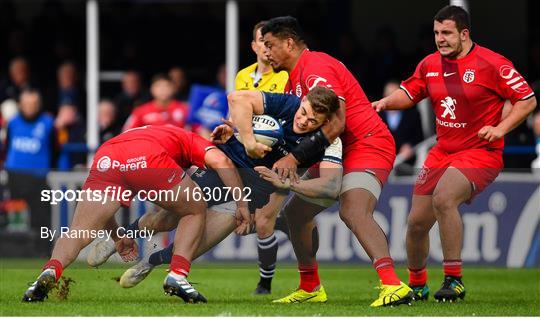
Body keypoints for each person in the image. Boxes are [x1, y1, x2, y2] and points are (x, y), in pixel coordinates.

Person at [86, 88, 341, 296]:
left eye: (313, 121)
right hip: (220, 169)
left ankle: (151, 262)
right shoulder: (287, 104)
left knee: (194, 245)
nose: (304, 120)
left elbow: (330, 187)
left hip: (251, 194)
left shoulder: (323, 144)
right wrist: (245, 136)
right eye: (304, 112)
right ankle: (118, 238)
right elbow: (237, 98)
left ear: (326, 123)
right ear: (303, 101)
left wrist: (289, 185)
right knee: (162, 219)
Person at [372, 5, 536, 302]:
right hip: (441, 152)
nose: (440, 39)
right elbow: (409, 93)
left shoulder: (493, 63)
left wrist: (501, 129)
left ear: (464, 33)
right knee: (416, 222)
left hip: (480, 152)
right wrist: (384, 103)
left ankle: (454, 280)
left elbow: (527, 100)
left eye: (446, 33)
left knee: (444, 198)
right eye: (436, 33)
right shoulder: (429, 64)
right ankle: (418, 284)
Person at [261, 16, 411, 306]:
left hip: (367, 143)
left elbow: (337, 122)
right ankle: (310, 287)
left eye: (271, 45)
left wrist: (293, 158)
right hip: (335, 149)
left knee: (353, 210)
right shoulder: (293, 80)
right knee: (295, 214)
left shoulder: (315, 67)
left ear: (289, 43)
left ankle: (393, 285)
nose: (267, 52)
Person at [22, 125, 251, 303]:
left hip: (108, 153)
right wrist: (242, 204)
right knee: (195, 209)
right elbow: (222, 161)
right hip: (146, 155)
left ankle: (51, 270)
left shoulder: (156, 131)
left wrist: (117, 237)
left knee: (79, 231)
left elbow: (105, 214)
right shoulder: (194, 140)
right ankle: (178, 276)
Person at [235, 20, 289, 295]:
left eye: (272, 43)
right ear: (254, 46)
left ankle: (265, 283)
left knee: (264, 220)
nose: (267, 49)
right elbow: (240, 114)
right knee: (249, 218)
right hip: (249, 152)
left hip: (279, 153)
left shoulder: (285, 75)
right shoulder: (243, 75)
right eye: (263, 43)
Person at [5, 89, 57, 232]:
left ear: (39, 104)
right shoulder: (13, 123)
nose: (30, 107)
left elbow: (55, 149)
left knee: (40, 217)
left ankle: (41, 249)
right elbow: (8, 145)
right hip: (15, 175)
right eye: (27, 104)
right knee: (14, 216)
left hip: (38, 177)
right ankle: (13, 248)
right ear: (20, 105)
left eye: (33, 104)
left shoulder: (48, 123)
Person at [379, 80, 424, 175]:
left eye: (393, 95)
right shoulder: (377, 115)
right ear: (384, 95)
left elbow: (420, 136)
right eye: (388, 94)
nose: (390, 98)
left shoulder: (412, 115)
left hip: (407, 163)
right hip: (382, 161)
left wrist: (410, 146)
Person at [122, 74, 190, 131]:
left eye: (166, 86)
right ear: (152, 89)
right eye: (158, 86)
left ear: (174, 88)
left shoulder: (185, 109)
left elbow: (196, 132)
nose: (163, 89)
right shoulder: (140, 111)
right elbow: (127, 131)